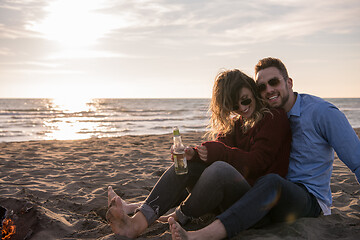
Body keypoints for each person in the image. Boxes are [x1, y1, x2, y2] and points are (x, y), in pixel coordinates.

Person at [168, 57, 360, 240]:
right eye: (262, 87)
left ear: (289, 82)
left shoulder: (322, 113)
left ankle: (205, 235)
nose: (268, 90)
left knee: (271, 182)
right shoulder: (266, 118)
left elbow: (357, 161)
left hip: (307, 198)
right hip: (264, 198)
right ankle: (152, 212)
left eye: (274, 82)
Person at [106, 69, 292, 239]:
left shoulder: (273, 117)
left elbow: (258, 162)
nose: (241, 108)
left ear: (253, 91)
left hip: (256, 205)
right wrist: (192, 154)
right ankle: (136, 224)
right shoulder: (237, 123)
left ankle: (177, 215)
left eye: (245, 100)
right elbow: (219, 148)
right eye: (234, 106)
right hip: (228, 200)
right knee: (186, 166)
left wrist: (219, 152)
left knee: (219, 169)